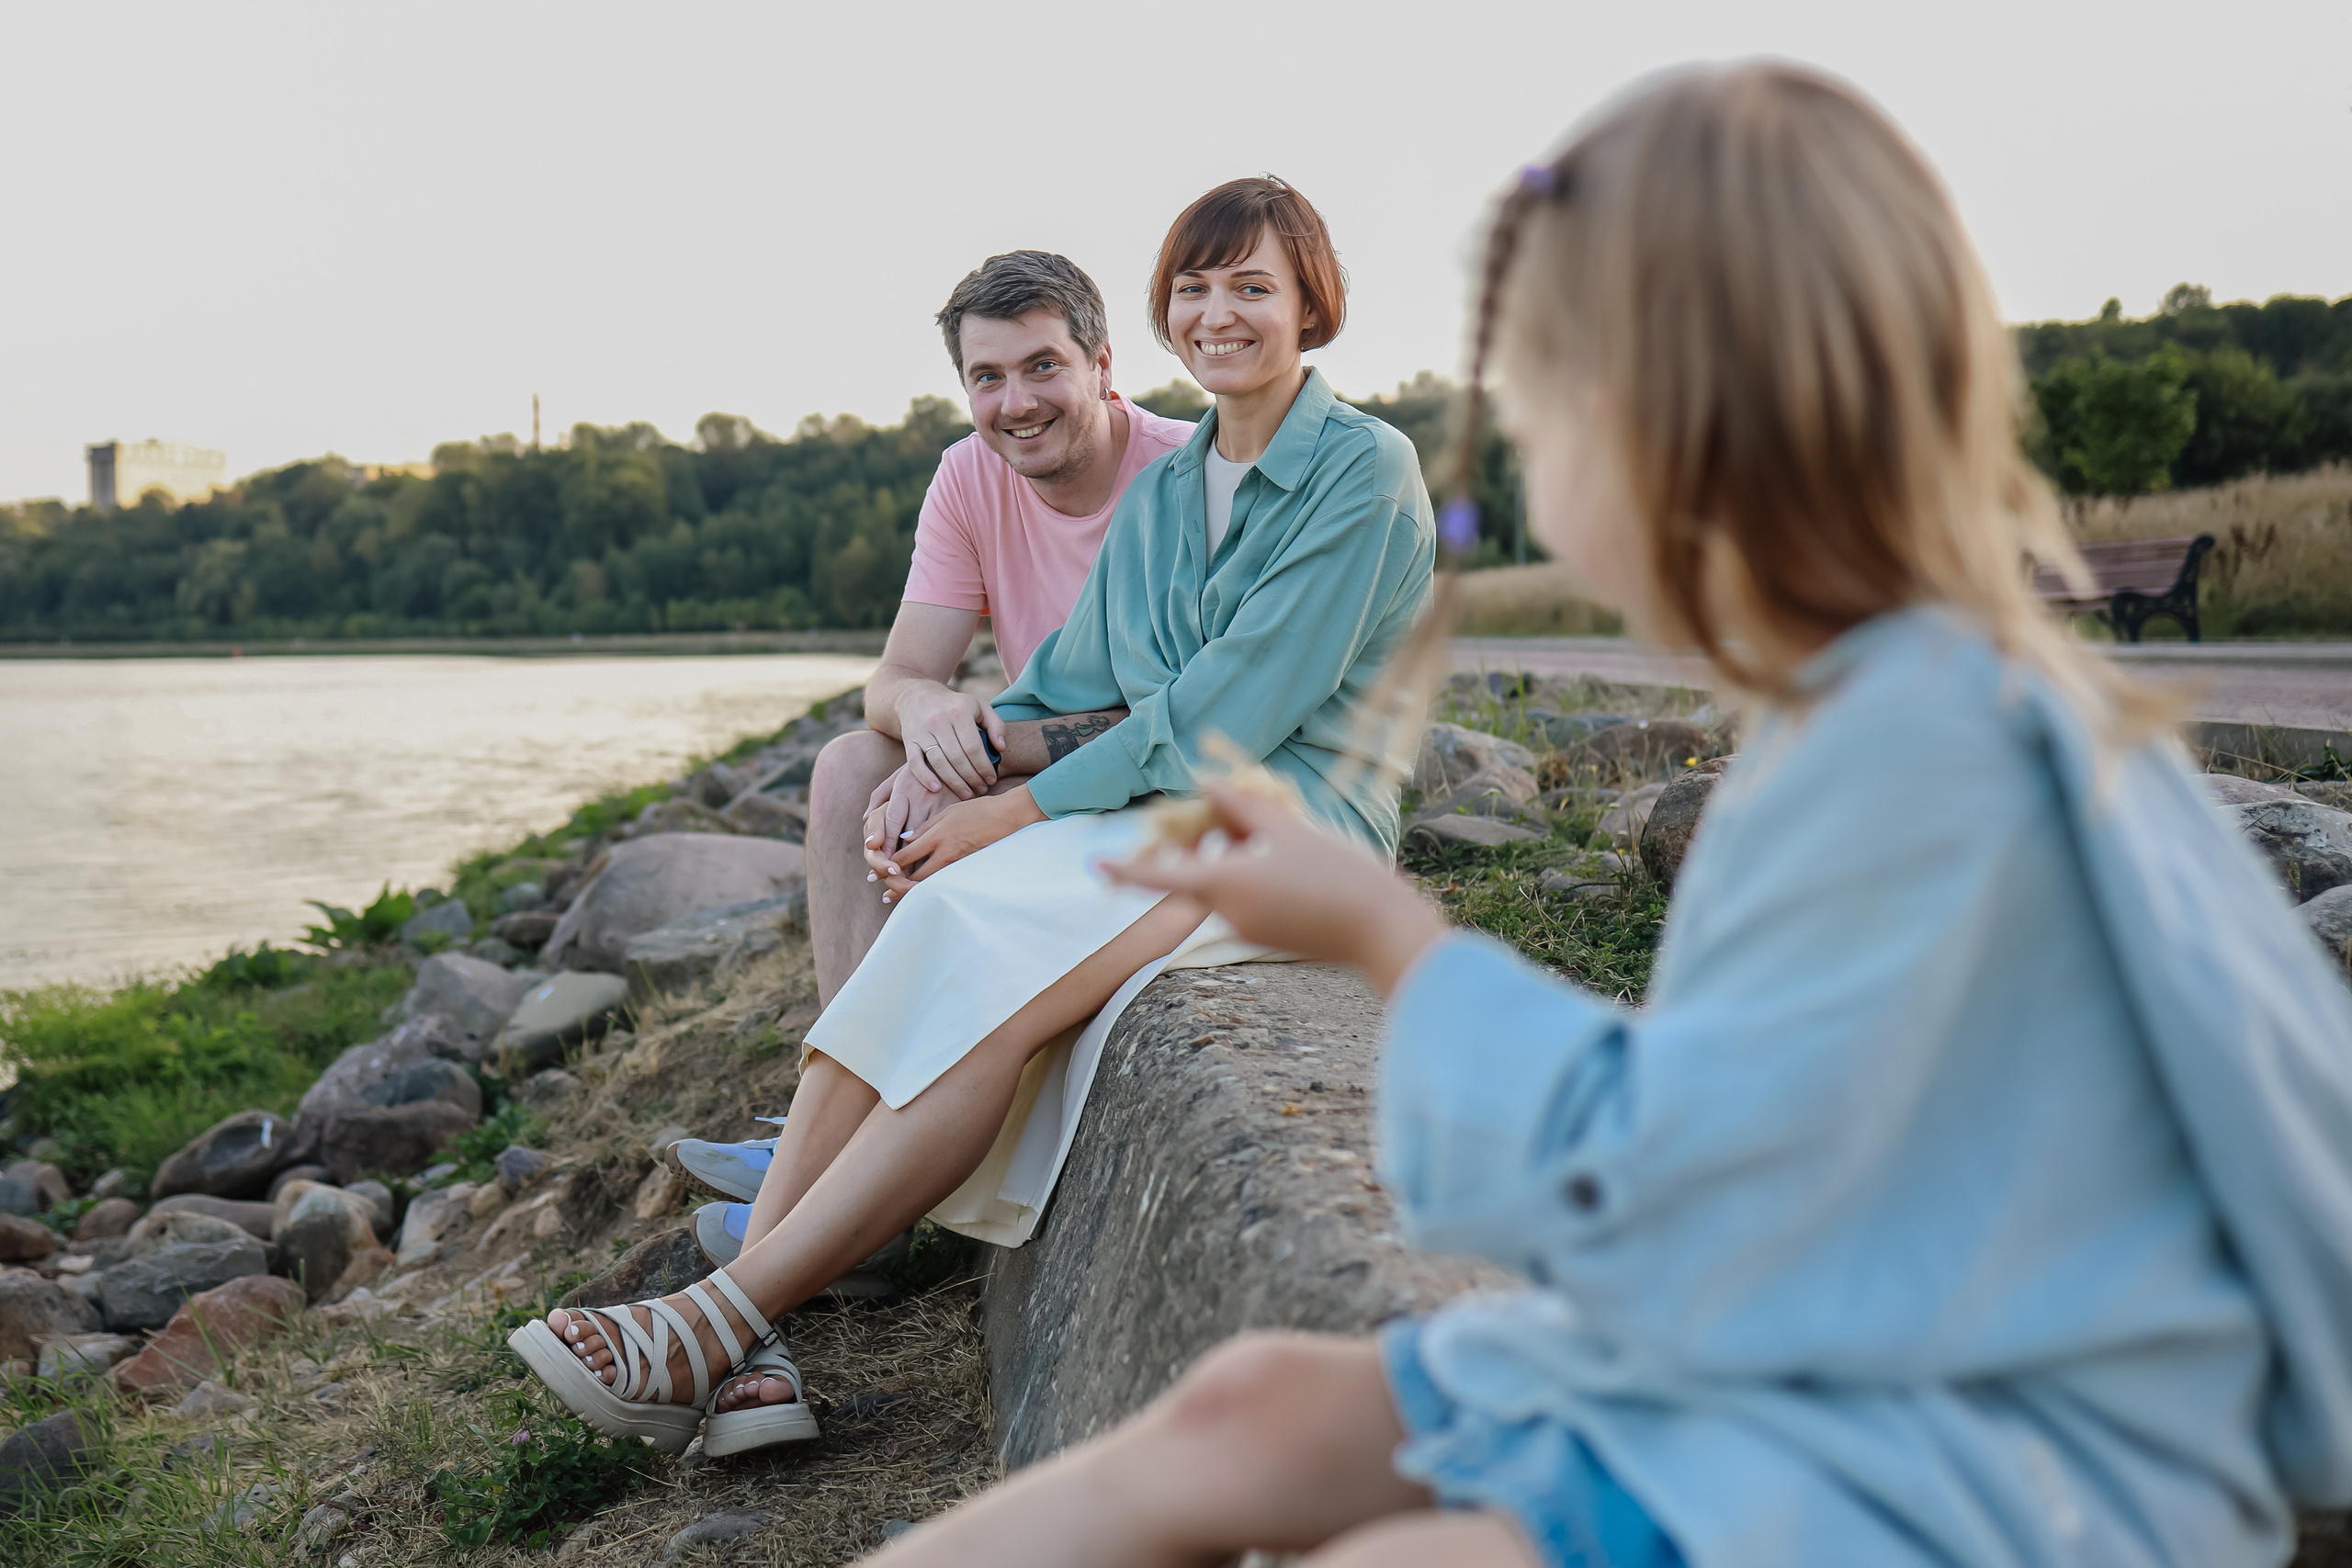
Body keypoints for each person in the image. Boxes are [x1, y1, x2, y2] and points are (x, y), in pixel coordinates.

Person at [850, 65, 2352, 1568]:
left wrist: (1392, 938)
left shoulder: (1924, 758)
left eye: (1543, 409)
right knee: (1242, 1405)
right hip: (1818, 1348)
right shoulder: (1896, 705)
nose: (1532, 479)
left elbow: (1676, 1181)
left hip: (1944, 1460)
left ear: (1664, 426)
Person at [512, 175, 1436, 1463]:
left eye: (1252, 286)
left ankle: (723, 1311)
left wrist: (1012, 811)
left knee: (1007, 977)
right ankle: (738, 1331)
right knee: (940, 917)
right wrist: (942, 763)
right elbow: (1074, 679)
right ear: (1166, 311)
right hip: (1169, 806)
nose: (1219, 312)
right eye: (1197, 285)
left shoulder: (1362, 469)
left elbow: (1223, 718)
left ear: (1309, 303)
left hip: (1289, 826)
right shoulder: (1173, 498)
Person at [662, 250, 1192, 1253]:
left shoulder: (1182, 476)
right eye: (986, 378)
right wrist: (932, 713)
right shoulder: (968, 473)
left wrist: (987, 752)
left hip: (1147, 780)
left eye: (1041, 367)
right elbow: (894, 676)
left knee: (916, 791)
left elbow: (1182, 723)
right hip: (1031, 755)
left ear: (1102, 364)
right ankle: (850, 1128)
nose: (1014, 403)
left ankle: (837, 1190)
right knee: (852, 765)